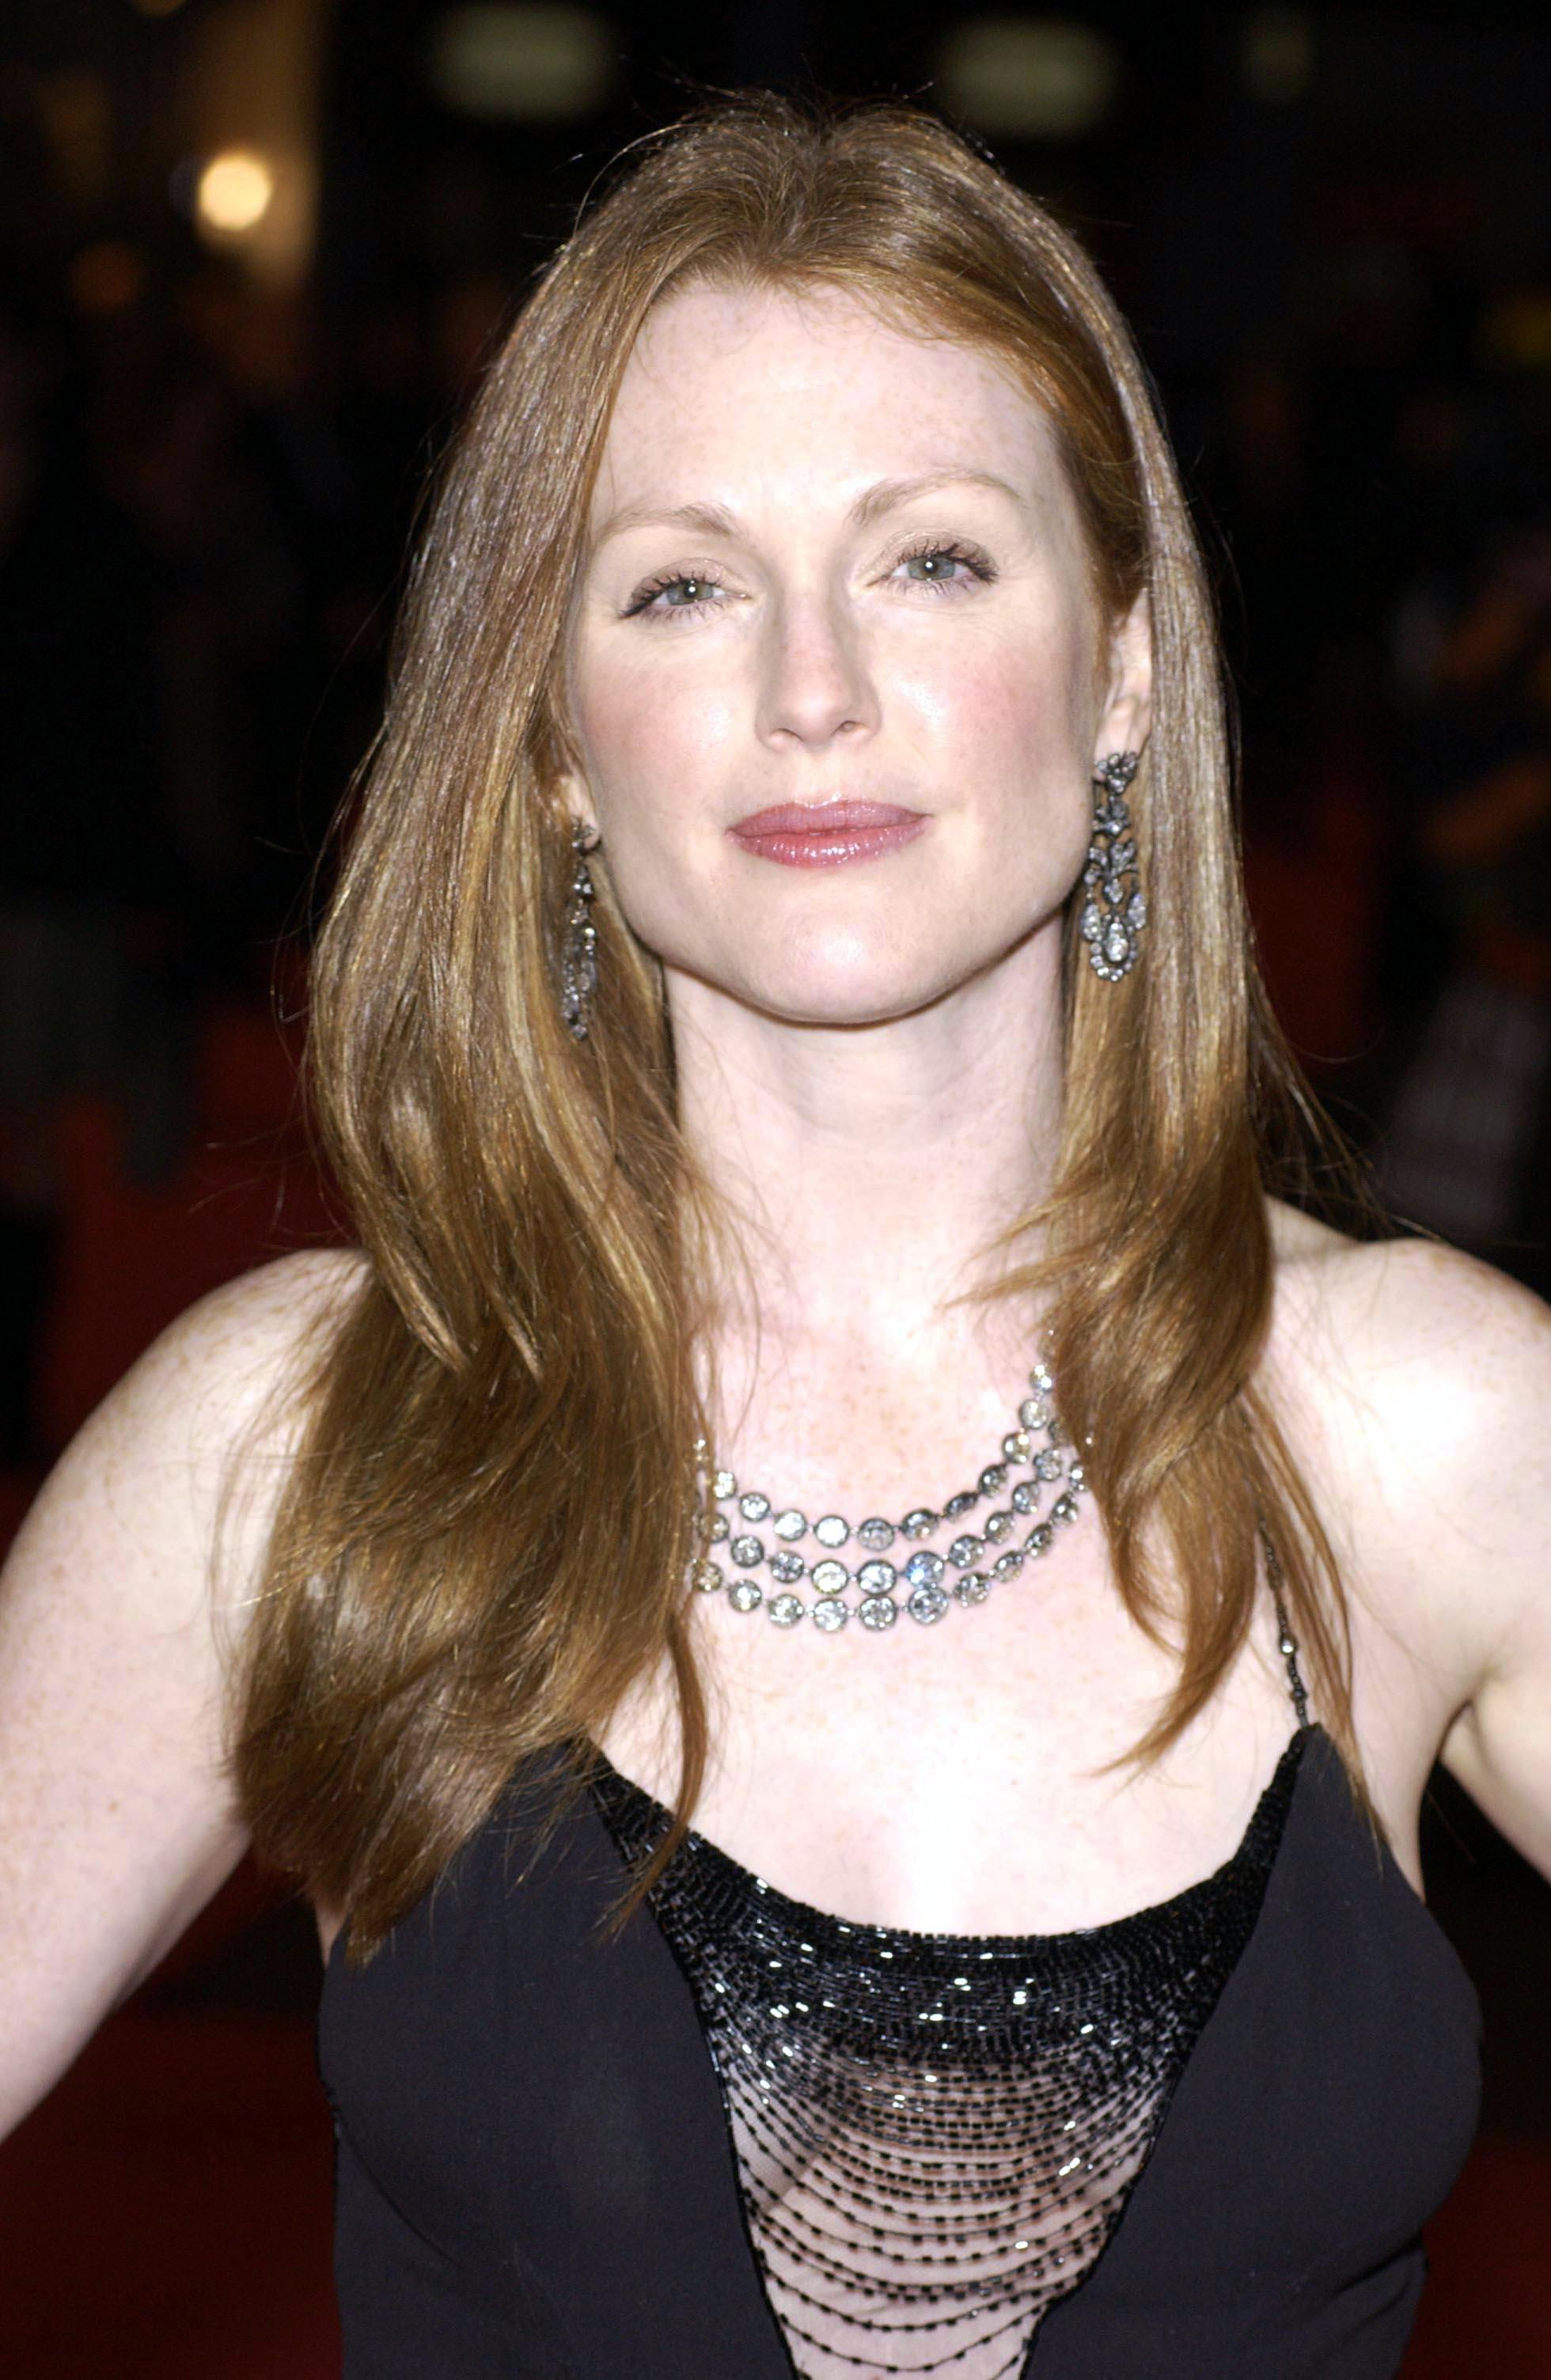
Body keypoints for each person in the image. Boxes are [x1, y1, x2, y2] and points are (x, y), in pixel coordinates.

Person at [2, 94, 1548, 2380]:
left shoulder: (1437, 1428)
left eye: (932, 561)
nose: (811, 685)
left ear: (1124, 666)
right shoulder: (301, 1448)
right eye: (682, 585)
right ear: (554, 737)